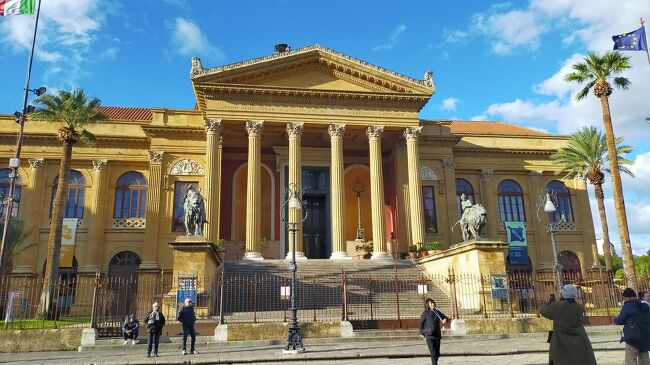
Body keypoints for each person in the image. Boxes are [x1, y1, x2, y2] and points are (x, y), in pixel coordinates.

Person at [540, 284, 596, 365]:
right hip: (580, 340)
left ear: (563, 293)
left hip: (561, 341)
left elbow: (543, 310)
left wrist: (550, 302)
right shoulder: (579, 307)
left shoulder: (558, 306)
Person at [614, 287, 650, 364]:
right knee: (645, 359)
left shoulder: (628, 305)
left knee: (631, 360)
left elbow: (620, 320)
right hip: (644, 336)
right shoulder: (644, 305)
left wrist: (615, 319)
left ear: (628, 297)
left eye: (625, 298)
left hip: (632, 337)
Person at [419, 298, 448, 365]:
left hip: (437, 335)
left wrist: (445, 319)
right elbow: (421, 323)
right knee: (433, 352)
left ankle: (435, 363)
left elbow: (445, 317)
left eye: (433, 302)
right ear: (427, 304)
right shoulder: (425, 313)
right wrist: (421, 333)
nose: (433, 304)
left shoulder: (437, 312)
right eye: (431, 303)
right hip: (429, 335)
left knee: (437, 353)